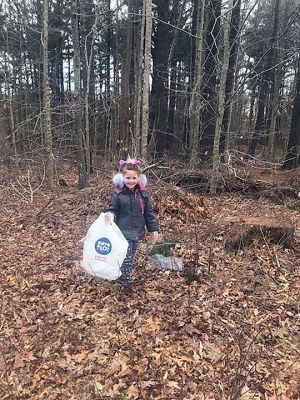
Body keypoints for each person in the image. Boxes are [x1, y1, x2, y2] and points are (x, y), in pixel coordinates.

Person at [104, 158, 159, 289]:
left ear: (139, 178)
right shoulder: (118, 194)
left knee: (129, 256)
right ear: (122, 178)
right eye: (128, 178)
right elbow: (113, 208)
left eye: (134, 178)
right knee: (127, 258)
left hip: (137, 232)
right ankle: (126, 284)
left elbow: (148, 214)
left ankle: (119, 276)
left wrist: (153, 229)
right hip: (122, 232)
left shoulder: (143, 195)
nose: (131, 181)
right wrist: (110, 215)